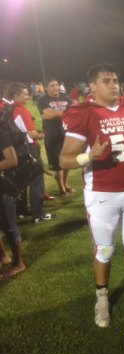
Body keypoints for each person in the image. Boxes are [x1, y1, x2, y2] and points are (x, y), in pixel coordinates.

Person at [60, 63, 124, 328]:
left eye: (115, 80)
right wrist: (88, 156)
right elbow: (64, 159)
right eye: (106, 81)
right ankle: (102, 296)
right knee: (105, 248)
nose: (112, 85)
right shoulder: (83, 113)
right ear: (92, 87)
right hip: (102, 194)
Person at [9, 83, 53, 223]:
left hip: (20, 148)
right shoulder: (20, 110)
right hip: (29, 148)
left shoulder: (11, 109)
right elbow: (31, 133)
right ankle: (38, 214)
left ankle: (20, 211)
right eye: (25, 94)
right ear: (16, 96)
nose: (28, 96)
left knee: (25, 180)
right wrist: (41, 135)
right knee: (37, 180)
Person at [37, 77, 74, 195]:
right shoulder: (43, 100)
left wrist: (55, 114)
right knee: (57, 164)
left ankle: (66, 184)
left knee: (66, 160)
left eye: (56, 85)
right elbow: (49, 115)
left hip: (67, 133)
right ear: (46, 88)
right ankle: (61, 189)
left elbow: (76, 110)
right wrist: (68, 113)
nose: (55, 87)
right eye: (52, 85)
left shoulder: (66, 98)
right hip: (52, 135)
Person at [0, 123, 23, 278]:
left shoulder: (1, 132)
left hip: (3, 188)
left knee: (9, 226)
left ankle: (18, 263)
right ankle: (3, 256)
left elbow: (12, 160)